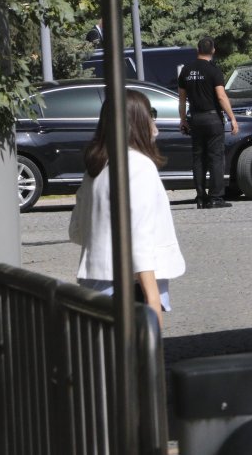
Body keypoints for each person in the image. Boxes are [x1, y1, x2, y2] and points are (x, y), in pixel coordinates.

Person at [69, 89, 185, 328]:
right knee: (136, 362)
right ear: (138, 120)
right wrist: (153, 300)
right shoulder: (139, 166)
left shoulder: (96, 168)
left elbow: (76, 231)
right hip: (132, 291)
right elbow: (139, 239)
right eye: (150, 114)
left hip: (95, 285)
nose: (154, 121)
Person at [177, 37, 239, 209]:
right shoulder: (214, 71)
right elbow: (221, 96)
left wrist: (183, 120)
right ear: (213, 50)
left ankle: (200, 197)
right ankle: (216, 198)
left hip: (195, 119)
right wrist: (232, 118)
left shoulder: (186, 71)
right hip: (212, 118)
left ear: (198, 49)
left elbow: (182, 100)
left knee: (198, 159)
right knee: (216, 158)